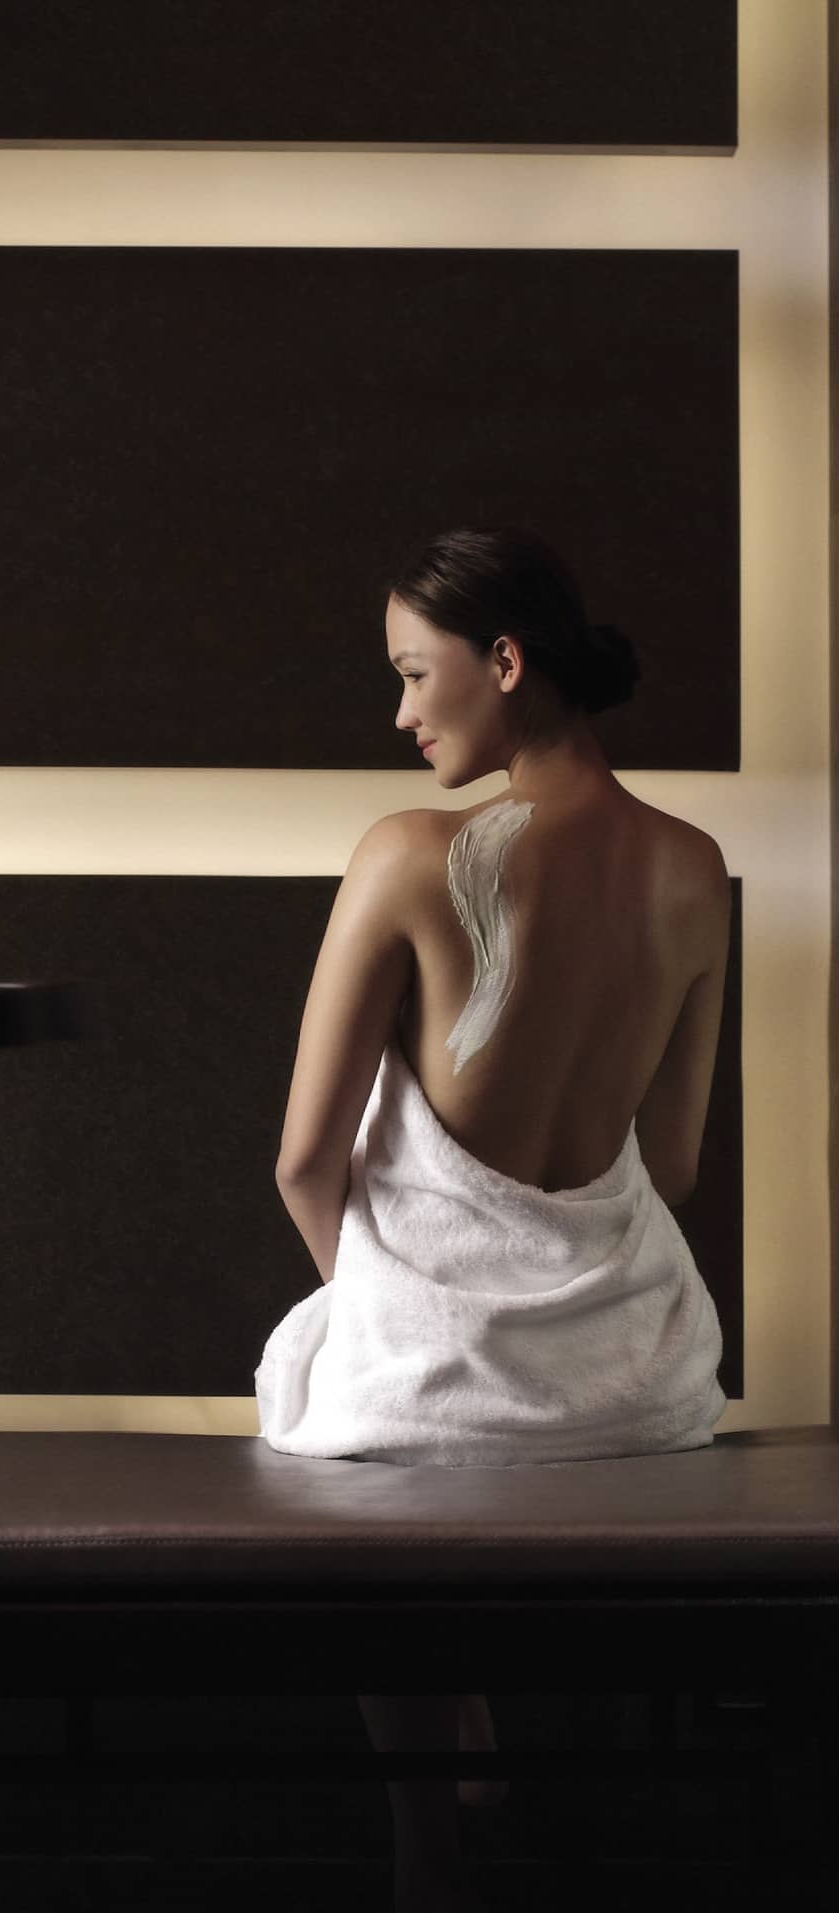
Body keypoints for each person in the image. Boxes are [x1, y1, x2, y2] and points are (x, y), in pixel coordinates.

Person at [255, 527, 730, 1913]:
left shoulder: (410, 854)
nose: (400, 713)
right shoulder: (695, 866)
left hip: (437, 1393)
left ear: (504, 661)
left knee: (348, 1401)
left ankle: (428, 1853)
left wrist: (393, 1311)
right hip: (634, 1385)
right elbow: (677, 1162)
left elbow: (300, 1162)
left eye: (415, 673)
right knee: (392, 1414)